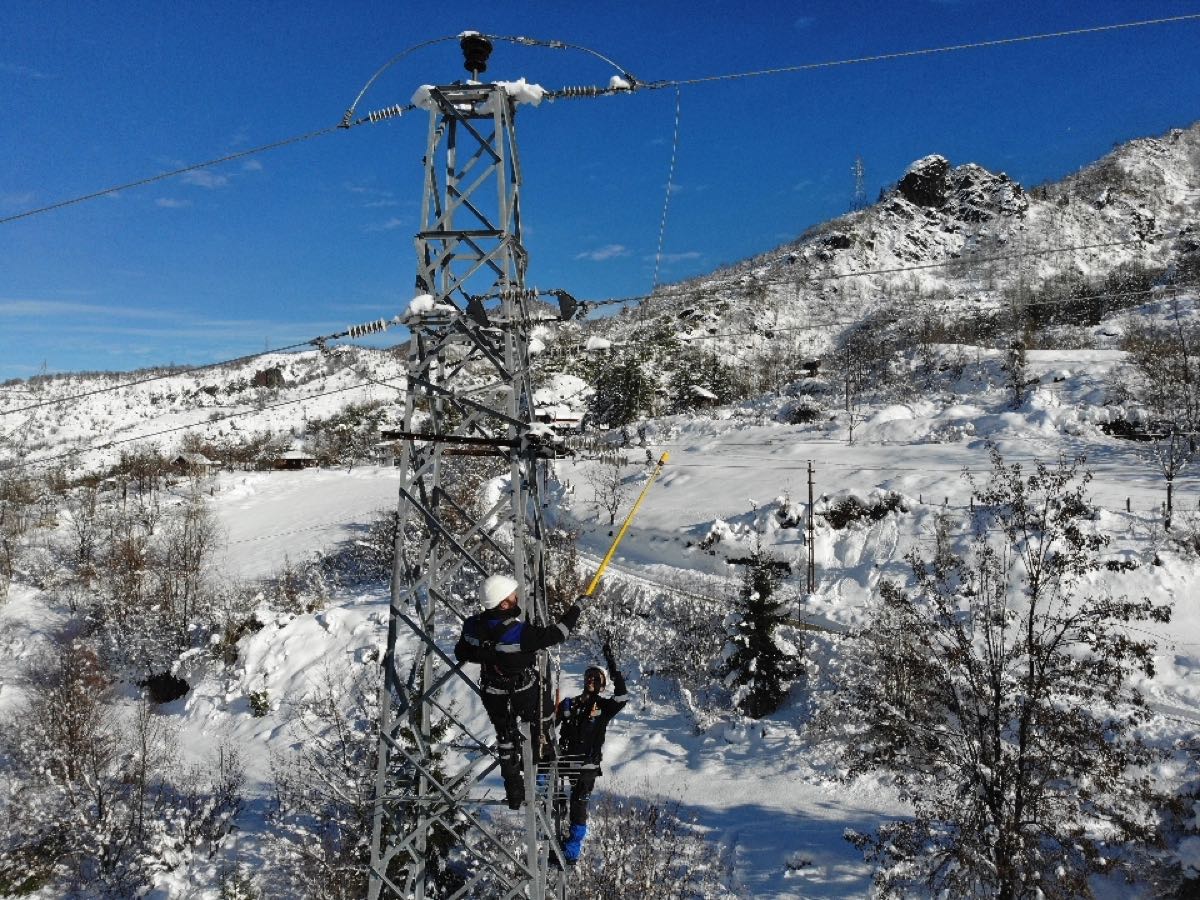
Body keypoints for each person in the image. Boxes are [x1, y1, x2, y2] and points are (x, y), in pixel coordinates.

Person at [455, 573, 582, 810]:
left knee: (504, 736)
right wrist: (576, 608)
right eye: (512, 596)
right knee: (542, 714)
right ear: (504, 603)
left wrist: (486, 654)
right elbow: (559, 634)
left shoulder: (472, 627)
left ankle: (514, 791)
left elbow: (461, 652)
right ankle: (542, 749)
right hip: (522, 692)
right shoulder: (519, 633)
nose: (516, 597)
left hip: (493, 693)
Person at [555, 641, 628, 863]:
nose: (591, 681)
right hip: (566, 760)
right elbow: (549, 726)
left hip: (587, 764)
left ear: (602, 685)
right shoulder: (570, 703)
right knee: (553, 795)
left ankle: (572, 849)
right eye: (589, 676)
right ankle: (553, 832)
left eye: (597, 679)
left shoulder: (604, 707)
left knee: (579, 802)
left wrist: (612, 666)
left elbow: (622, 697)